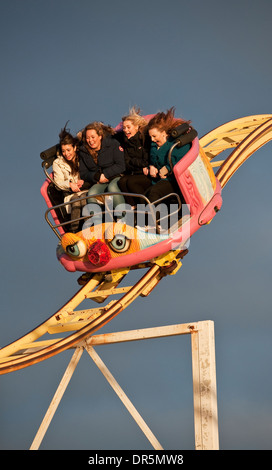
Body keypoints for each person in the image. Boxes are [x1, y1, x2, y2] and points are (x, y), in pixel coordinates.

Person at [78, 121, 126, 223]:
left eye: (93, 137)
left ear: (100, 136)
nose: (90, 141)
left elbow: (121, 165)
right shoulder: (83, 151)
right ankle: (98, 223)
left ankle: (122, 218)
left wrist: (106, 174)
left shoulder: (112, 143)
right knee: (92, 194)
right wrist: (97, 176)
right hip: (99, 181)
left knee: (112, 188)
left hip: (115, 177)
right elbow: (83, 173)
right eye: (87, 138)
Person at [146, 107, 191, 204]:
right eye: (151, 137)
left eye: (154, 136)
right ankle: (139, 218)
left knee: (154, 193)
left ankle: (150, 219)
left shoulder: (176, 143)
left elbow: (183, 158)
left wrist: (167, 168)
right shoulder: (154, 146)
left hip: (175, 182)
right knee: (144, 196)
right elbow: (153, 160)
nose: (152, 140)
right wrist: (151, 166)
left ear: (163, 133)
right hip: (160, 180)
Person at [53, 125, 90, 232]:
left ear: (74, 148)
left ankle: (88, 229)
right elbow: (58, 182)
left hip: (86, 188)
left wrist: (83, 181)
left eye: (68, 150)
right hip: (71, 193)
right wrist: (69, 184)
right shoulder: (58, 163)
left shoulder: (82, 157)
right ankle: (75, 231)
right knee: (76, 200)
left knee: (83, 198)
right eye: (63, 151)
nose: (66, 154)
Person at [115, 107, 152, 208]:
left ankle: (146, 206)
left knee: (131, 183)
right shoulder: (126, 143)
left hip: (146, 175)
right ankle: (132, 207)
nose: (126, 130)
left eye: (128, 127)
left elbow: (145, 161)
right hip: (136, 172)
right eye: (124, 128)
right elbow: (126, 163)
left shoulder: (144, 139)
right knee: (122, 182)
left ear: (136, 127)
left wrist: (136, 163)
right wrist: (138, 165)